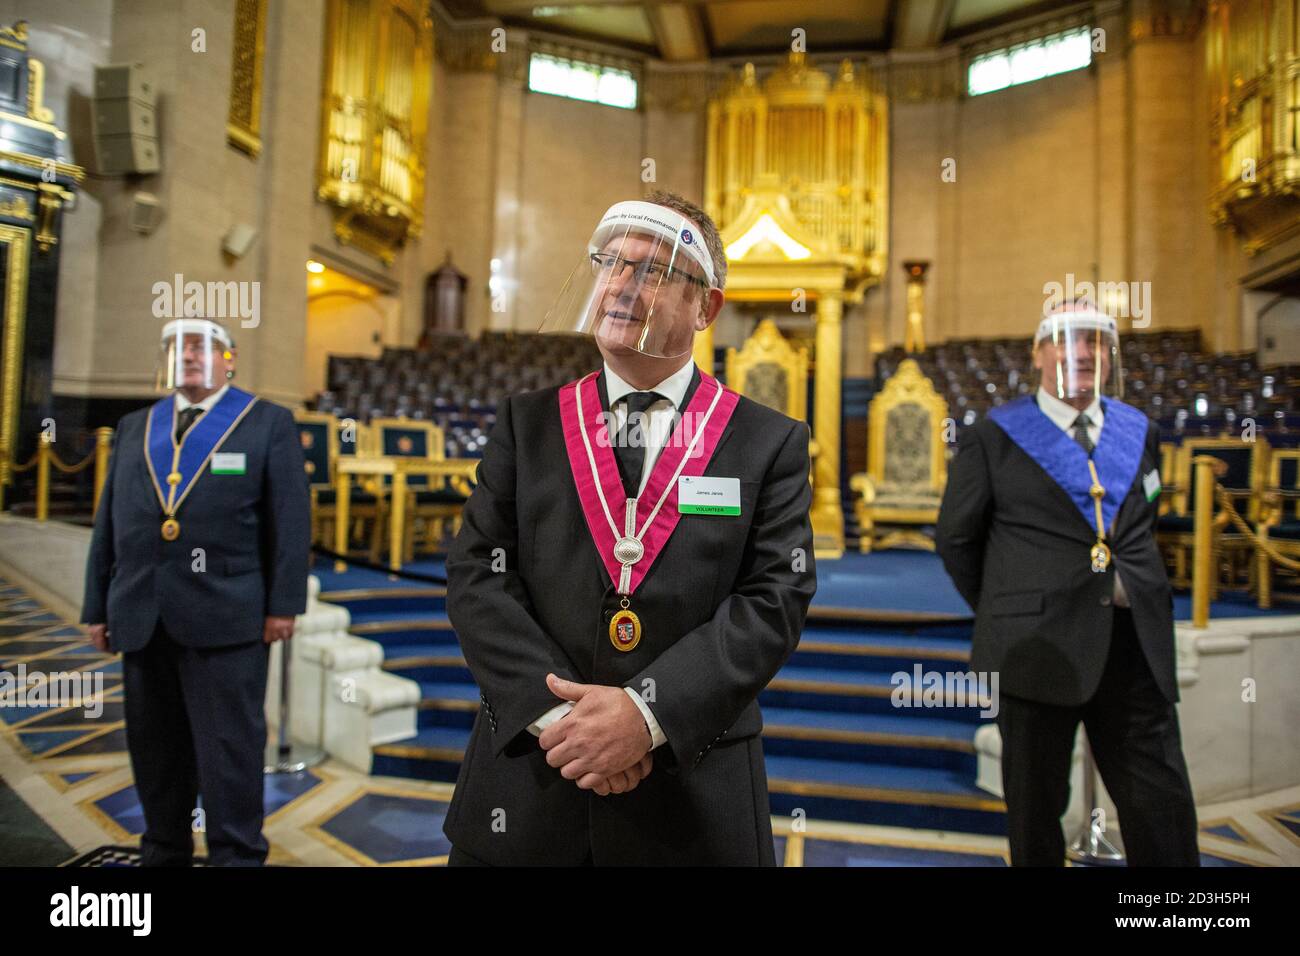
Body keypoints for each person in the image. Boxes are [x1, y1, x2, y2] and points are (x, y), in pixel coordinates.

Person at [443, 190, 817, 865]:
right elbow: (476, 577)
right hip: (532, 781)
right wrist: (565, 723)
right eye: (611, 263)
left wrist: (645, 717)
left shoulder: (768, 442)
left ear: (707, 306)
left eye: (653, 270)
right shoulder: (527, 425)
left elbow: (773, 600)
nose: (622, 284)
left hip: (691, 795)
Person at [936, 299, 1199, 866]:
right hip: (1037, 649)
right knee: (1036, 807)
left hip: (1134, 644)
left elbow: (1141, 526)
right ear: (1038, 354)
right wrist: (1008, 607)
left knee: (1161, 802)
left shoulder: (1139, 431)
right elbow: (956, 539)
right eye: (1065, 340)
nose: (1082, 352)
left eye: (1096, 342)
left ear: (1108, 357)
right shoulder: (997, 436)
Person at [81, 318, 311, 866]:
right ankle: (164, 852)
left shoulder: (266, 423)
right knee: (155, 752)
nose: (188, 356)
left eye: (202, 347)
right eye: (177, 348)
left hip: (228, 618)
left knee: (228, 752)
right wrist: (97, 604)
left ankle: (236, 856)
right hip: (140, 614)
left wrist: (284, 604)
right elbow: (109, 521)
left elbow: (290, 522)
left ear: (228, 360)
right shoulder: (138, 424)